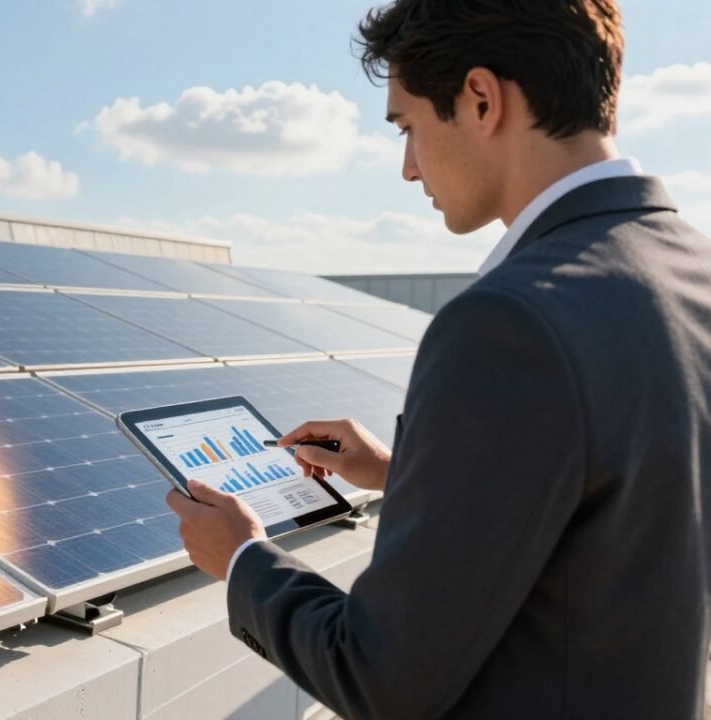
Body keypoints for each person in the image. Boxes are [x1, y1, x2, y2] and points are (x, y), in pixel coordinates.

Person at [165, 1, 711, 717]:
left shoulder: (507, 323)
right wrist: (407, 475)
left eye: (409, 126)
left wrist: (241, 559)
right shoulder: (690, 272)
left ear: (481, 100)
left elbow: (381, 676)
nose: (407, 166)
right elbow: (628, 516)